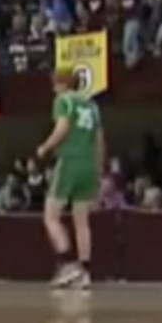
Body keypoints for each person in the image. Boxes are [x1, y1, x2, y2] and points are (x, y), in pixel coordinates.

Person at [35, 68, 105, 289]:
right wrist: (99, 169)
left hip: (70, 161)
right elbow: (100, 140)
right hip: (89, 165)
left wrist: (45, 147)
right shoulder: (93, 107)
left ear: (61, 84)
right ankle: (85, 271)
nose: (52, 88)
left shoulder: (64, 101)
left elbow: (63, 127)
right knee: (82, 221)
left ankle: (67, 265)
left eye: (54, 83)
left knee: (51, 216)